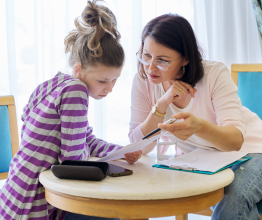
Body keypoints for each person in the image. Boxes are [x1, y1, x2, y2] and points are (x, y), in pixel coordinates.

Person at [0, 1, 142, 220]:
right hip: (35, 200)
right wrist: (97, 159)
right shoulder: (76, 91)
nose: (110, 88)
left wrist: (122, 151)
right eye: (103, 80)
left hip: (14, 192)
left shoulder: (53, 84)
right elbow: (73, 161)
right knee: (116, 211)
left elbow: (85, 140)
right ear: (78, 70)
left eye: (115, 80)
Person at [129, 13, 262, 219]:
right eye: (146, 56)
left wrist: (199, 127)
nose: (151, 67)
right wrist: (162, 103)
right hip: (207, 158)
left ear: (185, 59)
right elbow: (140, 146)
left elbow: (235, 141)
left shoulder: (214, 74)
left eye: (162, 60)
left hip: (253, 150)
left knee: (231, 197)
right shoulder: (143, 81)